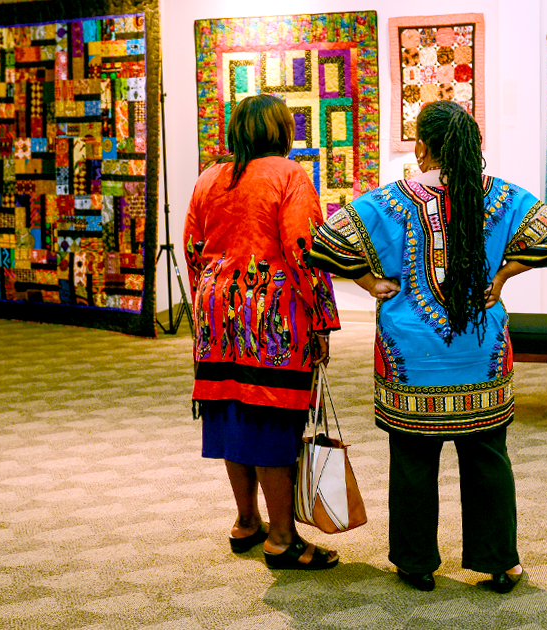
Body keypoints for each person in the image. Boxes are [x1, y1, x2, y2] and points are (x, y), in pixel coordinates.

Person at [309, 100, 547, 593]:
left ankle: (415, 563)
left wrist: (371, 283)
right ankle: (498, 562)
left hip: (411, 359)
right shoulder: (500, 197)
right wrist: (501, 276)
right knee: (487, 456)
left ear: (422, 147)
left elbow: (324, 243)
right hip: (481, 351)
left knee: (412, 459)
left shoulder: (385, 202)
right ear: (474, 148)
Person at [184, 94, 341, 570]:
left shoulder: (210, 176)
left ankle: (246, 521)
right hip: (270, 316)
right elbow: (303, 250)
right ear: (282, 131)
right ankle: (282, 539)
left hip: (216, 311)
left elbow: (192, 247)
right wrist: (322, 317)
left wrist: (208, 300)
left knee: (232, 410)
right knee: (272, 418)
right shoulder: (289, 175)